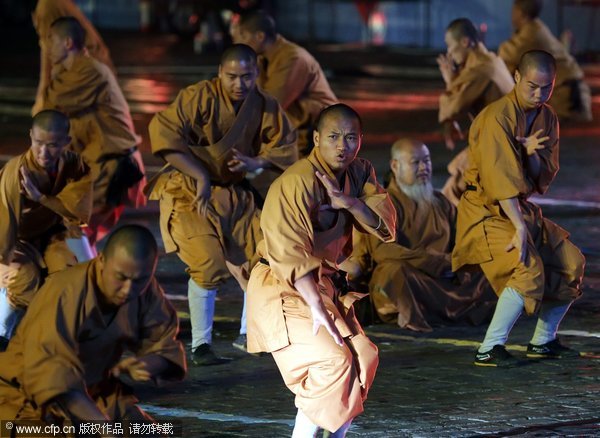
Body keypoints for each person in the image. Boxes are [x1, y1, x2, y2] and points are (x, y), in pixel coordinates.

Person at [246, 104, 396, 437]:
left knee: (364, 357)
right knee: (332, 362)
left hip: (323, 285)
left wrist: (351, 203)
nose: (342, 145)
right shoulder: (296, 182)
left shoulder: (359, 173)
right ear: (316, 138)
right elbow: (289, 252)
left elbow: (385, 225)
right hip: (282, 286)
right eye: (333, 137)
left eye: (350, 137)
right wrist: (317, 309)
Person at [146, 44, 297, 365]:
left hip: (235, 192)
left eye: (246, 77)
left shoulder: (265, 105)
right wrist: (199, 174)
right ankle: (201, 345)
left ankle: (249, 334)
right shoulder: (198, 97)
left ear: (256, 75)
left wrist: (255, 162)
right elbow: (163, 132)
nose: (239, 84)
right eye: (231, 77)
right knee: (207, 264)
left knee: (263, 258)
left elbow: (284, 148)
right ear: (219, 74)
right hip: (189, 191)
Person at [452, 50, 585, 367]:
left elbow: (541, 180)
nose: (538, 95)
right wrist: (520, 228)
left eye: (546, 87)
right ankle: (489, 348)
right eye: (532, 86)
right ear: (515, 77)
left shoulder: (547, 117)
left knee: (571, 262)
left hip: (519, 209)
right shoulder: (498, 116)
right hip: (486, 210)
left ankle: (543, 340)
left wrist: (532, 155)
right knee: (526, 266)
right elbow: (500, 180)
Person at [0, 225, 186, 423]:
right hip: (32, 397)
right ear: (102, 260)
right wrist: (101, 426)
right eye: (120, 277)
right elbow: (49, 375)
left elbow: (164, 343)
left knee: (147, 432)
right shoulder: (66, 291)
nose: (128, 289)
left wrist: (148, 364)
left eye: (140, 280)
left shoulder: (145, 290)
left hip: (96, 392)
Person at [345, 138, 495, 332]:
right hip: (413, 276)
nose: (424, 167)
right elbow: (383, 251)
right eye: (416, 162)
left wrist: (459, 260)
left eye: (427, 161)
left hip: (442, 277)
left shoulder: (441, 202)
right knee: (394, 272)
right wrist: (432, 262)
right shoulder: (383, 204)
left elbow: (463, 239)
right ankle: (421, 313)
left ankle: (449, 309)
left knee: (489, 264)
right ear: (395, 165)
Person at [33, 16, 146, 248]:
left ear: (67, 43)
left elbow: (50, 106)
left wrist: (47, 68)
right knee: (76, 232)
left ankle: (85, 281)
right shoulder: (72, 72)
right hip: (101, 166)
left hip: (112, 166)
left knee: (74, 229)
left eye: (50, 40)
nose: (46, 45)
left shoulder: (88, 71)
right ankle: (85, 277)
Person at [0, 109, 92, 350]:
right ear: (31, 136)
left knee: (71, 275)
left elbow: (76, 212)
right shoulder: (16, 171)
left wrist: (41, 197)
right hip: (17, 238)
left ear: (66, 142)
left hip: (53, 234)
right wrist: (3, 259)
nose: (43, 152)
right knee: (23, 277)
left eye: (52, 145)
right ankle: (2, 330)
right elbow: (5, 219)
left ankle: (58, 335)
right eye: (38, 143)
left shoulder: (76, 165)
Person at [234, 10, 338, 156]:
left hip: (321, 134)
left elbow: (270, 104)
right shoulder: (261, 58)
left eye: (242, 35)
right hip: (300, 135)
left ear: (260, 36)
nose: (236, 40)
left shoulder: (292, 58)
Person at [437, 18, 514, 205]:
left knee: (453, 193)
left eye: (450, 46)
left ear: (465, 42)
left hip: (501, 145)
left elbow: (454, 106)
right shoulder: (491, 60)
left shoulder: (482, 69)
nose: (449, 52)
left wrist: (450, 82)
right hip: (502, 141)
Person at [499, 0, 592, 122]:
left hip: (567, 97)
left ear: (520, 13)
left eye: (513, 11)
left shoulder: (531, 34)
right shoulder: (535, 27)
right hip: (568, 91)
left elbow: (504, 56)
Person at [32, 0, 116, 112]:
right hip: (93, 71)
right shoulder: (47, 5)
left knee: (50, 116)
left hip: (88, 74)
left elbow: (48, 48)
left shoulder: (47, 6)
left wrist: (43, 94)